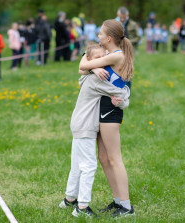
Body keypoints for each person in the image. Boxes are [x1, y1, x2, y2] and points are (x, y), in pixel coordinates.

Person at [59, 44, 130, 217]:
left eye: (103, 57)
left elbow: (83, 70)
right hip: (86, 126)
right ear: (90, 61)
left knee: (76, 164)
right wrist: (125, 99)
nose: (102, 61)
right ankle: (82, 208)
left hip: (78, 123)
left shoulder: (87, 75)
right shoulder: (97, 78)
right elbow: (119, 92)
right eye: (97, 58)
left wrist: (93, 68)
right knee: (89, 166)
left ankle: (69, 200)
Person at [79, 19, 136, 217]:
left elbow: (82, 62)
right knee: (103, 158)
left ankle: (127, 207)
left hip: (111, 111)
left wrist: (90, 66)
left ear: (109, 38)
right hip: (102, 108)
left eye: (100, 34)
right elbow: (83, 65)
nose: (98, 37)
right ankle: (118, 200)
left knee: (114, 158)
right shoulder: (110, 55)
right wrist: (93, 68)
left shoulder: (116, 56)